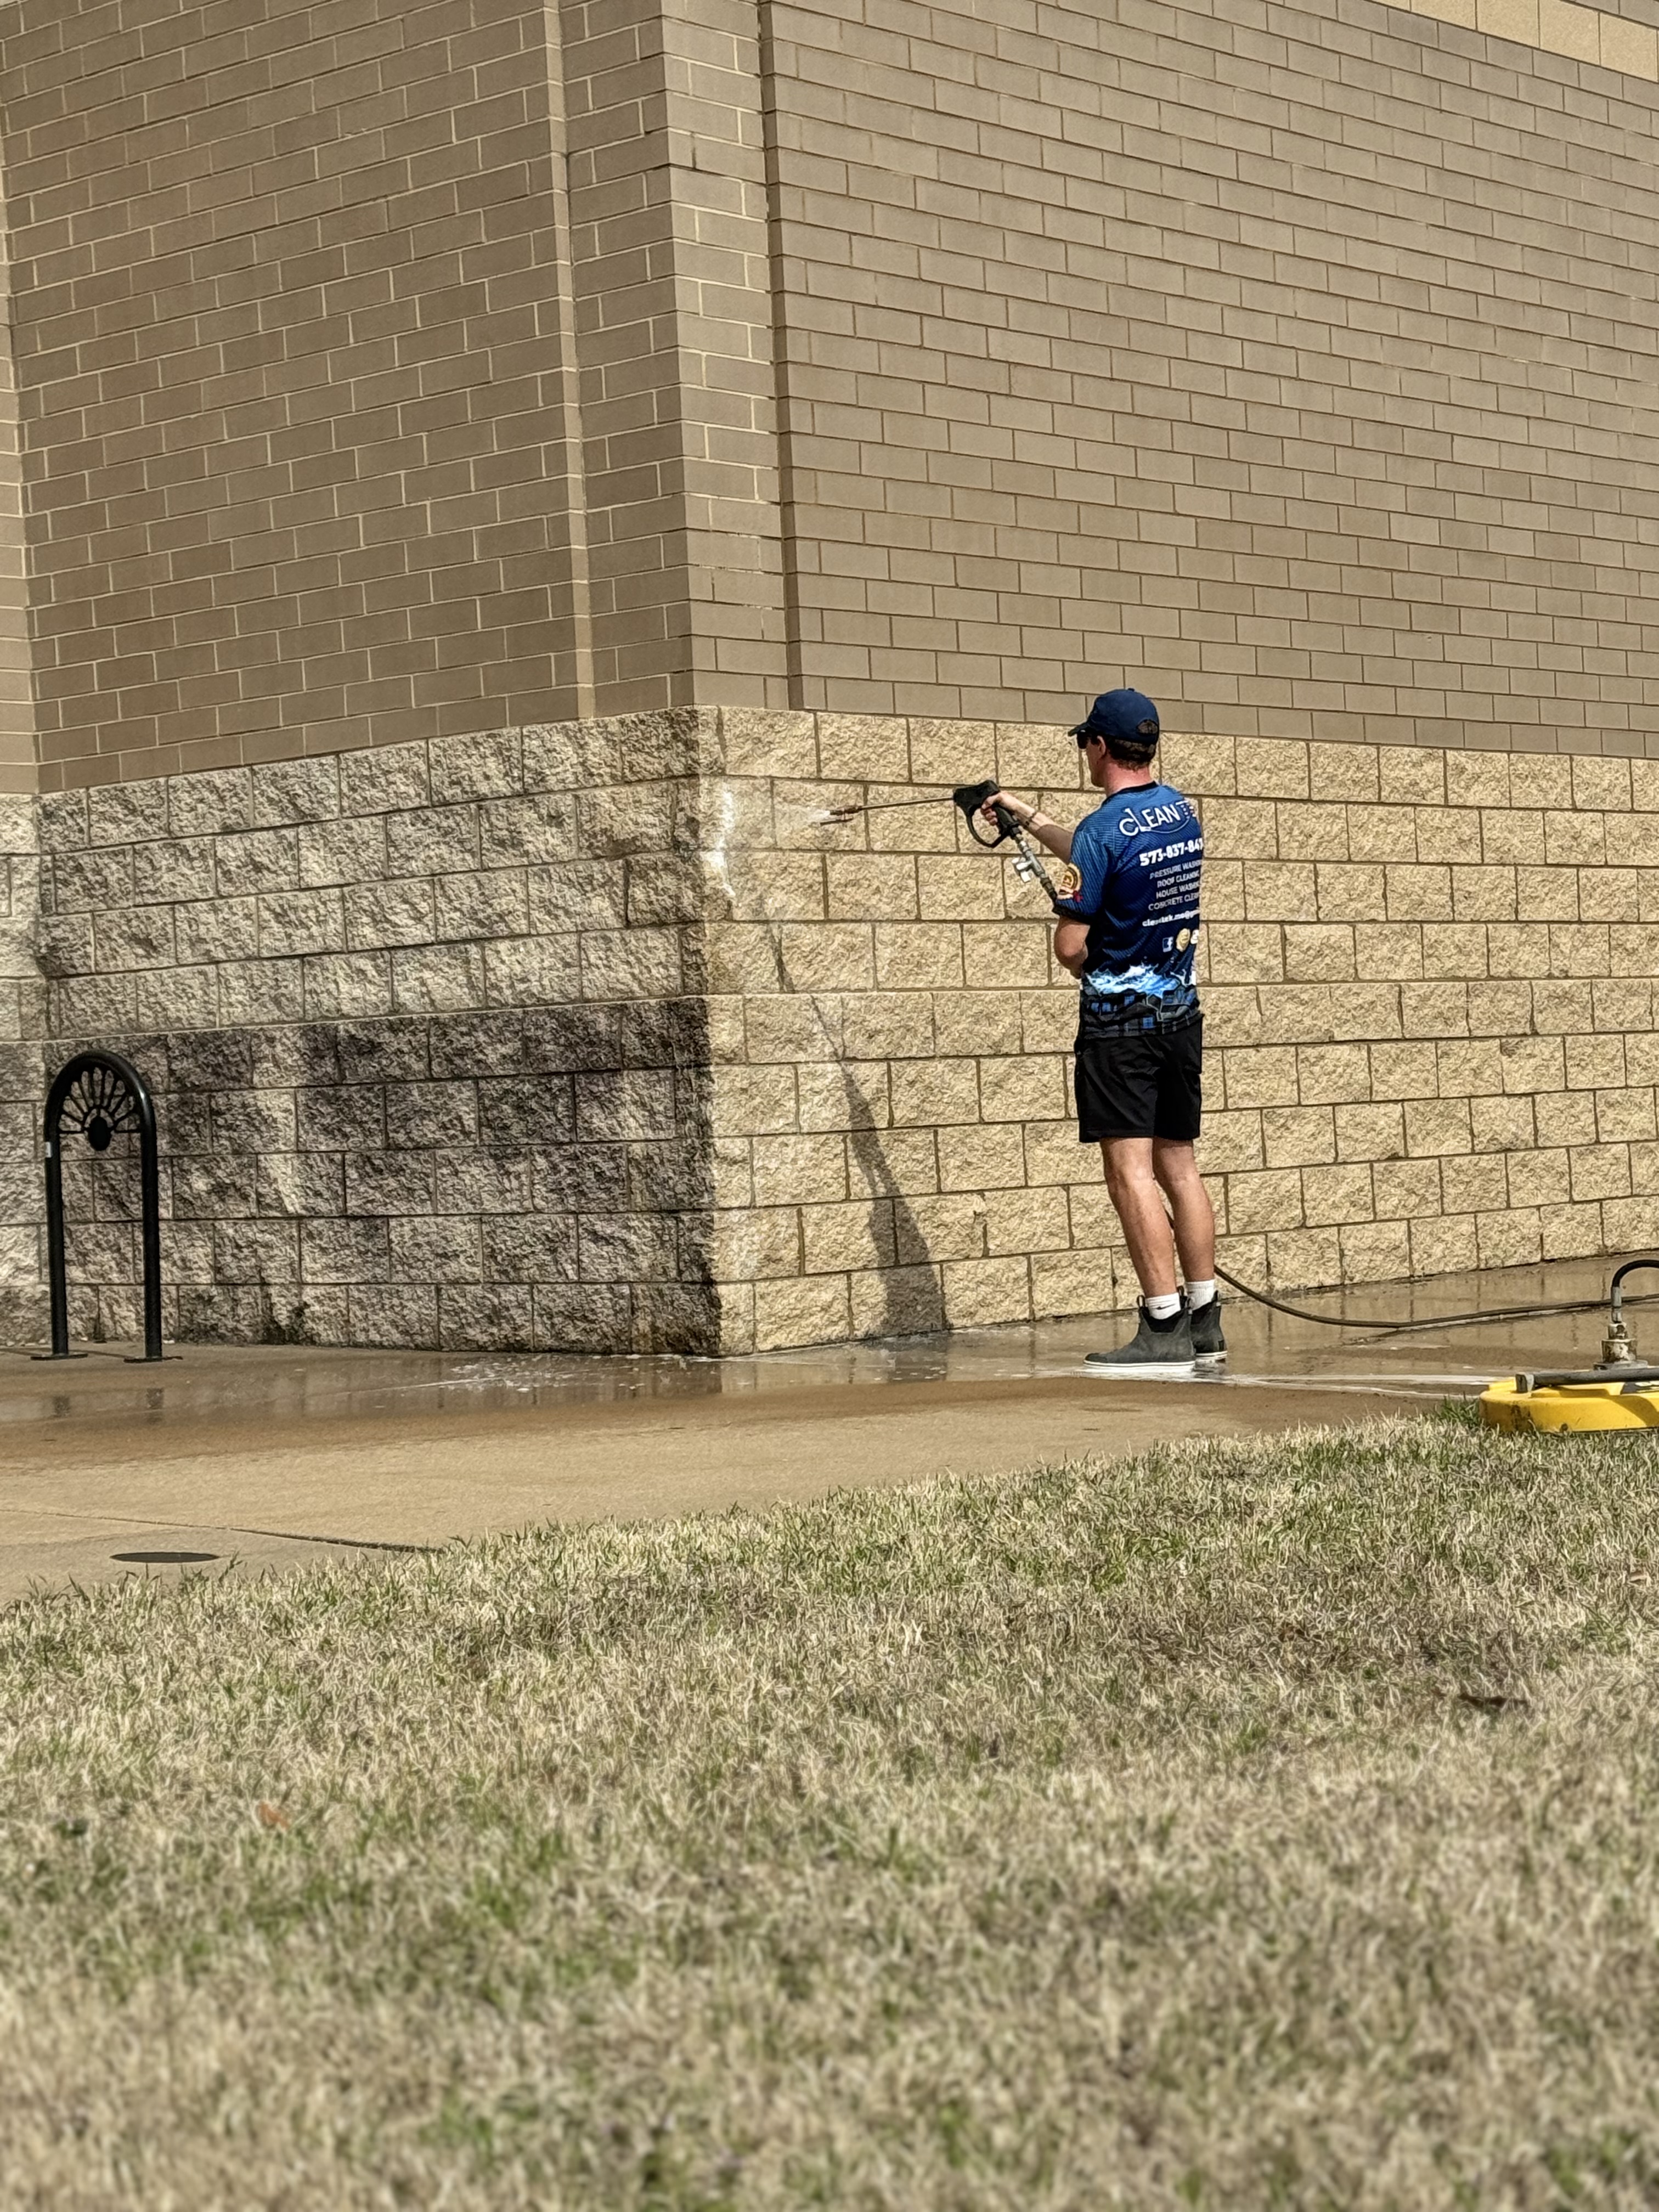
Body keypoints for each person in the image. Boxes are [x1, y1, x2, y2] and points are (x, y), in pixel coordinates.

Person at [984, 687, 1224, 1372]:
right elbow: (1099, 855)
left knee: (1130, 1174)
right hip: (1180, 1016)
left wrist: (1092, 954)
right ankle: (1204, 1319)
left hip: (1120, 1030)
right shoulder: (1179, 812)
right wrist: (1026, 817)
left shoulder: (1100, 833)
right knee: (1179, 1164)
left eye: (1085, 743)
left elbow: (1070, 947)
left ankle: (1162, 1325)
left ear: (1098, 746)